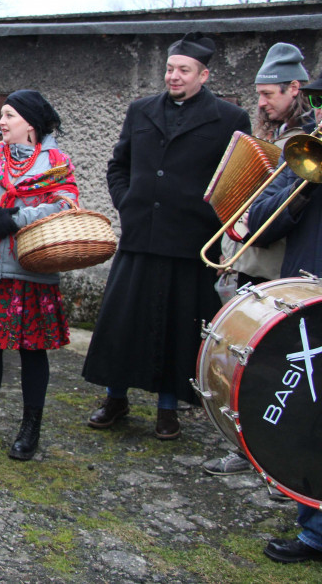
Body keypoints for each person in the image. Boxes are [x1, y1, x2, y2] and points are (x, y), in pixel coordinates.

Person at [82, 32, 251, 440]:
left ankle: (168, 408)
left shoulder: (230, 119)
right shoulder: (140, 110)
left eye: (183, 71)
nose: (174, 77)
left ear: (203, 74)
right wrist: (128, 201)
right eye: (170, 69)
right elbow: (117, 165)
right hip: (140, 237)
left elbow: (237, 180)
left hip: (188, 244)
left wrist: (210, 217)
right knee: (123, 324)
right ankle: (115, 398)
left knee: (178, 328)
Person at [205, 42, 311, 477]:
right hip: (252, 263)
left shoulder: (306, 140)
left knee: (269, 366)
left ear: (294, 88)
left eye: (269, 95)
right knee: (249, 362)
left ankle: (262, 449)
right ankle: (252, 445)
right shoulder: (273, 133)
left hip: (279, 268)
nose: (262, 103)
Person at [0, 91, 78, 461]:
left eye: (9, 115)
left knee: (32, 351)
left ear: (29, 122)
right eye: (1, 114)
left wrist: (11, 219)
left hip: (33, 271)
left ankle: (30, 428)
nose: (1, 122)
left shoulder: (56, 162)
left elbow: (65, 205)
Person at [246, 60, 322, 564]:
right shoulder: (304, 153)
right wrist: (306, 184)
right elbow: (259, 219)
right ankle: (317, 531)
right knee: (312, 412)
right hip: (308, 297)